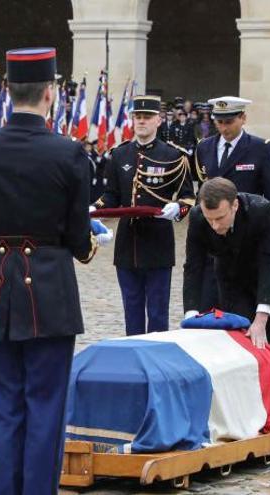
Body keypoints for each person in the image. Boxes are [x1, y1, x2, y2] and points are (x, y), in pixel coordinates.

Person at [0, 47, 103, 495]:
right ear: (50, 93)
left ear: (8, 93)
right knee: (45, 406)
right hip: (49, 288)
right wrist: (85, 246)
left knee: (4, 407)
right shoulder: (68, 153)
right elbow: (80, 236)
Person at [183, 177, 270, 383]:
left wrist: (262, 317)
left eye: (220, 218)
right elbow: (193, 267)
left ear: (235, 205)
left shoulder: (263, 211)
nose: (214, 225)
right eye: (209, 219)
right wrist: (191, 315)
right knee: (238, 338)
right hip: (232, 278)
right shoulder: (197, 217)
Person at [93, 95, 195, 335]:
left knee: (158, 311)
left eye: (147, 117)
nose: (141, 121)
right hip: (128, 244)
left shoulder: (173, 155)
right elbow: (111, 195)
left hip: (158, 242)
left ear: (159, 120)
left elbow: (188, 197)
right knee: (132, 308)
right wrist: (94, 209)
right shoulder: (119, 154)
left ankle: (157, 357)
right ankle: (134, 356)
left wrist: (177, 209)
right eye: (137, 117)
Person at [194, 96, 270, 310]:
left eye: (229, 121)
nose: (224, 127)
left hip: (246, 233)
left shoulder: (260, 148)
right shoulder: (204, 148)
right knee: (209, 297)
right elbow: (202, 190)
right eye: (219, 122)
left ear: (243, 118)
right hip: (213, 233)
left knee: (242, 300)